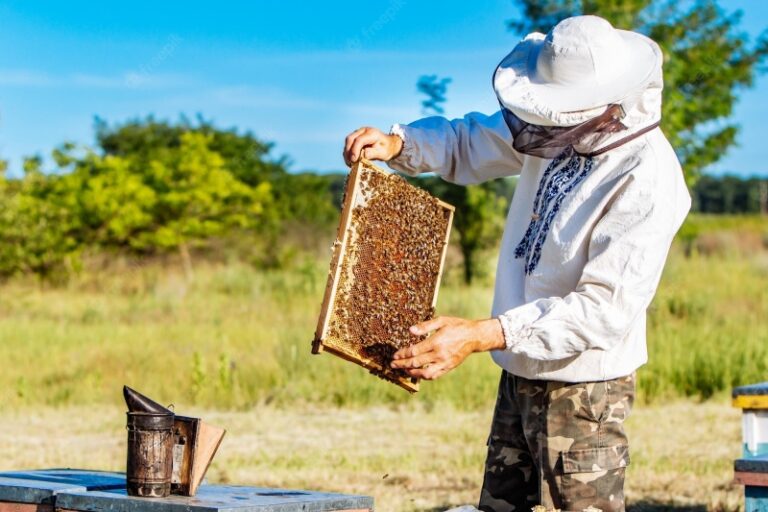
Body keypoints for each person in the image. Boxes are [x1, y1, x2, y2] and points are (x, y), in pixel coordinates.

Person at [342, 14, 690, 512]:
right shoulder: (558, 124)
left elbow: (601, 310)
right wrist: (403, 145)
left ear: (604, 107)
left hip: (584, 387)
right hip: (519, 369)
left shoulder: (647, 179)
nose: (536, 131)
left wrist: (479, 335)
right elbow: (474, 139)